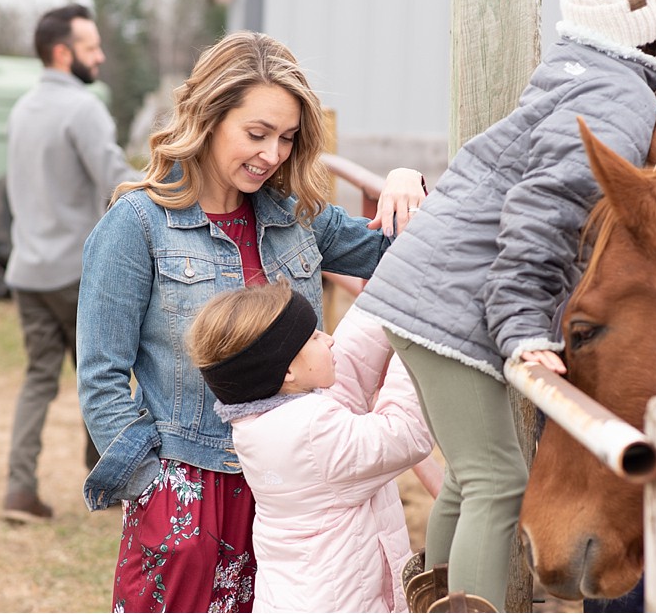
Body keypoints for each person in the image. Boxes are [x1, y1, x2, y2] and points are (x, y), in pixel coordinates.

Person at [353, 0, 656, 611]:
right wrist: (520, 330)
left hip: (427, 294)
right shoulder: (616, 98)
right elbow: (542, 210)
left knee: (471, 475)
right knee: (498, 481)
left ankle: (437, 596)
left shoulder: (580, 71)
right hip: (455, 303)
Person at [76, 30, 427, 613]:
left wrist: (406, 186)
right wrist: (158, 491)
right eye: (256, 133)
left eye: (287, 138)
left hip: (294, 500)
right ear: (209, 117)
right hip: (191, 493)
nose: (272, 155)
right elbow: (101, 376)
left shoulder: (298, 220)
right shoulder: (135, 225)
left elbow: (407, 256)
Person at [186, 280, 432, 613]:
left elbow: (351, 364)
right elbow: (406, 432)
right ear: (287, 370)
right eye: (315, 336)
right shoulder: (313, 432)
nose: (328, 339)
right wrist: (420, 337)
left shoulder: (267, 418)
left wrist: (398, 281)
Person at [2, 3, 142, 523]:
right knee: (104, 374)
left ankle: (19, 491)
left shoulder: (22, 109)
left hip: (27, 270)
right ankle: (108, 478)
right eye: (91, 47)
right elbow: (116, 179)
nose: (100, 56)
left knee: (39, 379)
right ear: (63, 53)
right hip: (76, 271)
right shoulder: (83, 109)